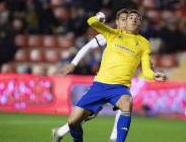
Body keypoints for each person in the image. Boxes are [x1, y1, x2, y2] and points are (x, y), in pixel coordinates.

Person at [66, 9, 166, 142]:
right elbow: (91, 22)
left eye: (137, 18)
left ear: (141, 23)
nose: (133, 19)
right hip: (99, 85)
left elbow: (146, 70)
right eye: (130, 17)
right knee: (73, 122)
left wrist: (154, 76)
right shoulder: (112, 33)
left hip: (120, 88)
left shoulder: (144, 43)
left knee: (127, 103)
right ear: (125, 22)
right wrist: (98, 17)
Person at [51, 8, 129, 142]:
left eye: (128, 20)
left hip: (120, 83)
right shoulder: (109, 34)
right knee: (84, 115)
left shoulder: (135, 41)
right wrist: (73, 64)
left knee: (125, 106)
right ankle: (62, 131)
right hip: (103, 82)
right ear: (116, 22)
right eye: (123, 20)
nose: (126, 23)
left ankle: (114, 137)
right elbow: (88, 46)